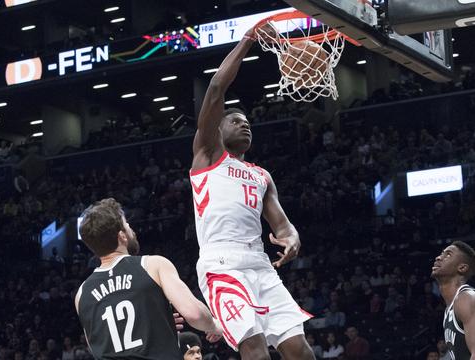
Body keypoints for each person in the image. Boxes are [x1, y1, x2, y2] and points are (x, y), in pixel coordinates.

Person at [190, 23, 314, 360]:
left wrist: (291, 237)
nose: (244, 124)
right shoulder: (208, 155)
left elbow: (282, 225)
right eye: (235, 120)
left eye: (248, 122)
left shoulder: (261, 176)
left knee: (298, 349)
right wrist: (249, 40)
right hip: (222, 263)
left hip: (260, 264)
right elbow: (216, 87)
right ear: (217, 129)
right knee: (255, 347)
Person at [75, 198, 223, 358]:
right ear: (122, 236)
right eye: (127, 225)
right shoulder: (152, 265)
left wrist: (152, 324)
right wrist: (215, 325)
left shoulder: (81, 294)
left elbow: (98, 344)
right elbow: (194, 314)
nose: (131, 228)